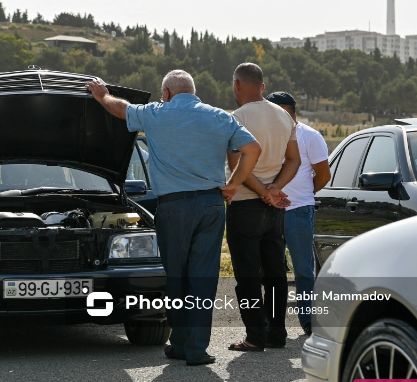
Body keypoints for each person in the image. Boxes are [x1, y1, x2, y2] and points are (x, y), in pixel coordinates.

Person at [86, 70, 261, 366]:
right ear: (193, 91)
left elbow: (120, 109)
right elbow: (252, 149)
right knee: (203, 278)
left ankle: (180, 342)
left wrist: (101, 94)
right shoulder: (219, 116)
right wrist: (234, 184)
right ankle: (194, 349)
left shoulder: (157, 114)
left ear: (166, 93)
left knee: (177, 278)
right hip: (211, 205)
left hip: (174, 206)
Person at [226, 63, 301, 352]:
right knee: (275, 274)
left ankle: (254, 335)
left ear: (237, 85)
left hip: (246, 205)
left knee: (247, 277)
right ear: (263, 87)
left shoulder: (238, 117)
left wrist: (262, 192)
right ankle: (278, 333)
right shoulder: (284, 115)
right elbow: (294, 160)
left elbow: (237, 167)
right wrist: (275, 189)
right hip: (275, 209)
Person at [266, 92, 331, 336]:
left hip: (298, 210)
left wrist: (304, 194)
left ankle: (308, 319)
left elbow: (323, 175)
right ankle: (271, 322)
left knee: (303, 269)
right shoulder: (264, 136)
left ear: (290, 111)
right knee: (270, 270)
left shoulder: (310, 136)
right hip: (269, 210)